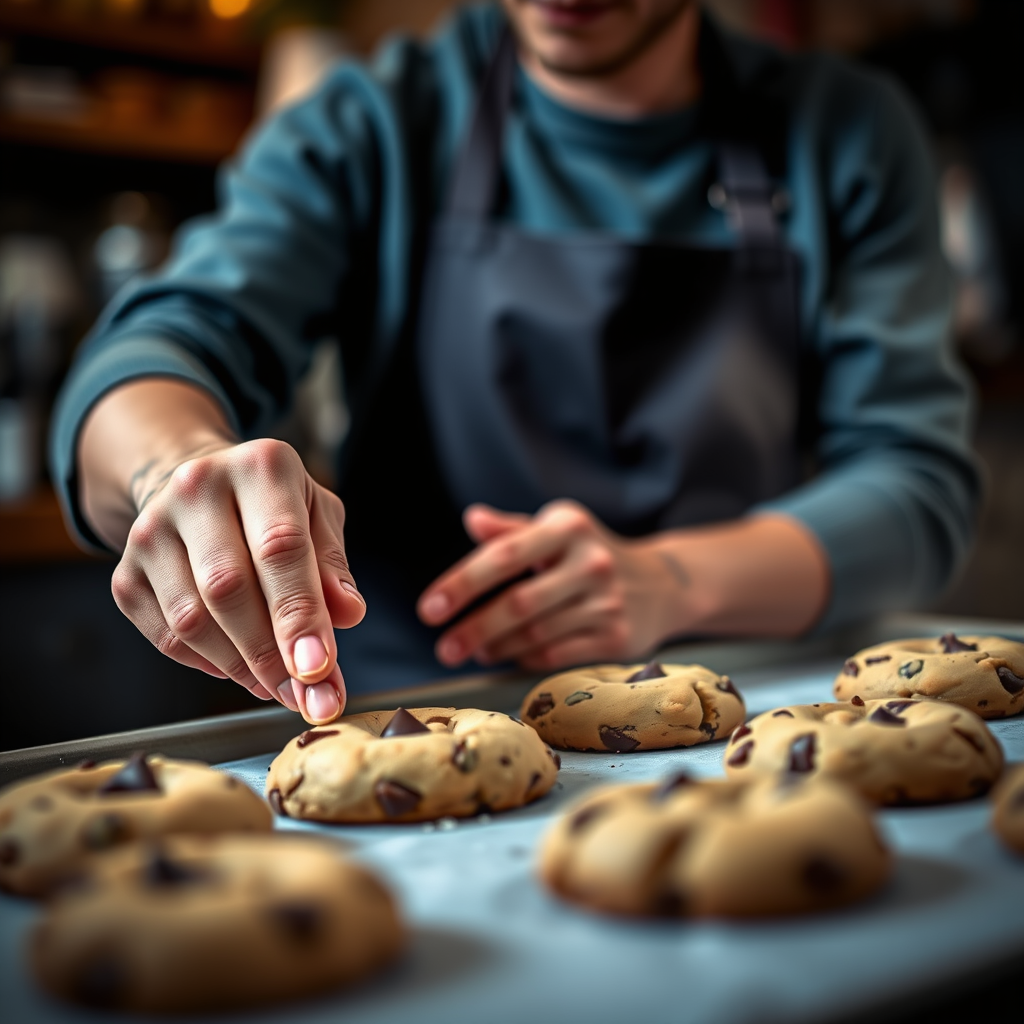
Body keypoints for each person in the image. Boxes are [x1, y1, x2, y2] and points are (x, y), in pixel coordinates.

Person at [51, 0, 980, 727]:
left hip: (757, 699)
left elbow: (915, 483)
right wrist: (174, 470)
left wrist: (670, 581)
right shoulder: (373, 123)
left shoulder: (846, 133)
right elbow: (162, 344)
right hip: (409, 712)